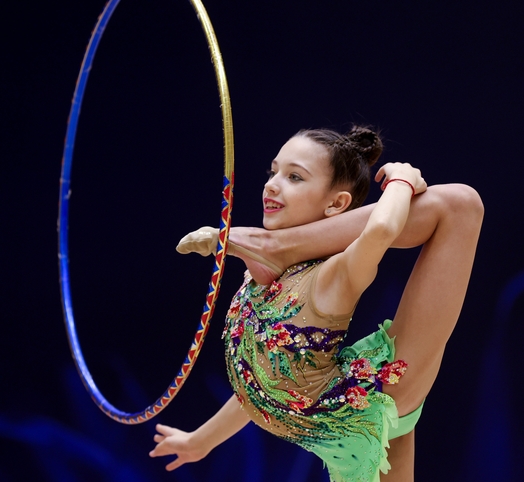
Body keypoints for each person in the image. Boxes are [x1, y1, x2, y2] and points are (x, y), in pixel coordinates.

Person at [149, 126, 483, 481]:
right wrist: (200, 441)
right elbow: (267, 383)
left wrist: (402, 180)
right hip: (346, 431)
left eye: (294, 177)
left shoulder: (334, 275)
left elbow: (381, 231)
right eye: (273, 171)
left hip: (379, 397)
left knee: (460, 205)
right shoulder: (263, 283)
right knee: (459, 205)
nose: (272, 184)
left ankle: (279, 244)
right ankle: (278, 245)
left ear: (337, 204)